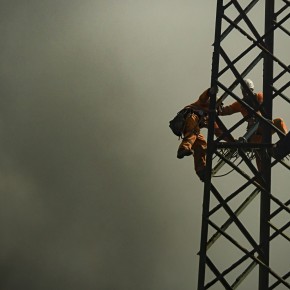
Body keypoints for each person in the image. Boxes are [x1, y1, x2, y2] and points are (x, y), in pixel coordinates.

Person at [218, 78, 288, 170]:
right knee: (261, 167)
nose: (246, 94)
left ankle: (286, 144)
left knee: (279, 122)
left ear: (252, 90)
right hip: (254, 135)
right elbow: (226, 110)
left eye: (248, 91)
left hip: (265, 128)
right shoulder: (240, 104)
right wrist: (217, 105)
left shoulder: (260, 97)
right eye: (244, 91)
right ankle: (261, 181)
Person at [176, 87, 221, 182]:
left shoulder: (209, 117)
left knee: (201, 144)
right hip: (187, 119)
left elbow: (218, 132)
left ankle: (201, 171)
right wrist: (210, 91)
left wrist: (233, 142)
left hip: (191, 130)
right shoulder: (202, 103)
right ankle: (183, 148)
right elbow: (204, 96)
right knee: (194, 128)